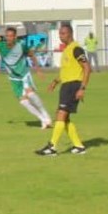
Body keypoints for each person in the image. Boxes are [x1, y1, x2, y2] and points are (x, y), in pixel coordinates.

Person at [0, 27, 52, 130]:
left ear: (15, 36)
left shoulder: (21, 45)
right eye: (7, 36)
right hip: (13, 78)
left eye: (11, 36)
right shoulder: (0, 45)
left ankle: (45, 115)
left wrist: (38, 69)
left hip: (24, 74)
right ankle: (42, 119)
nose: (8, 38)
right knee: (23, 102)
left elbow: (31, 55)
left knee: (30, 94)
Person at [36, 24, 90, 156]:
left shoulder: (76, 49)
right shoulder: (66, 50)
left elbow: (87, 68)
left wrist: (82, 88)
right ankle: (78, 146)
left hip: (73, 86)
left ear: (70, 34)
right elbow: (67, 70)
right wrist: (55, 81)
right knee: (64, 117)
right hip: (66, 85)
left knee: (61, 114)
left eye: (63, 33)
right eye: (60, 34)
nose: (61, 36)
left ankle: (52, 146)